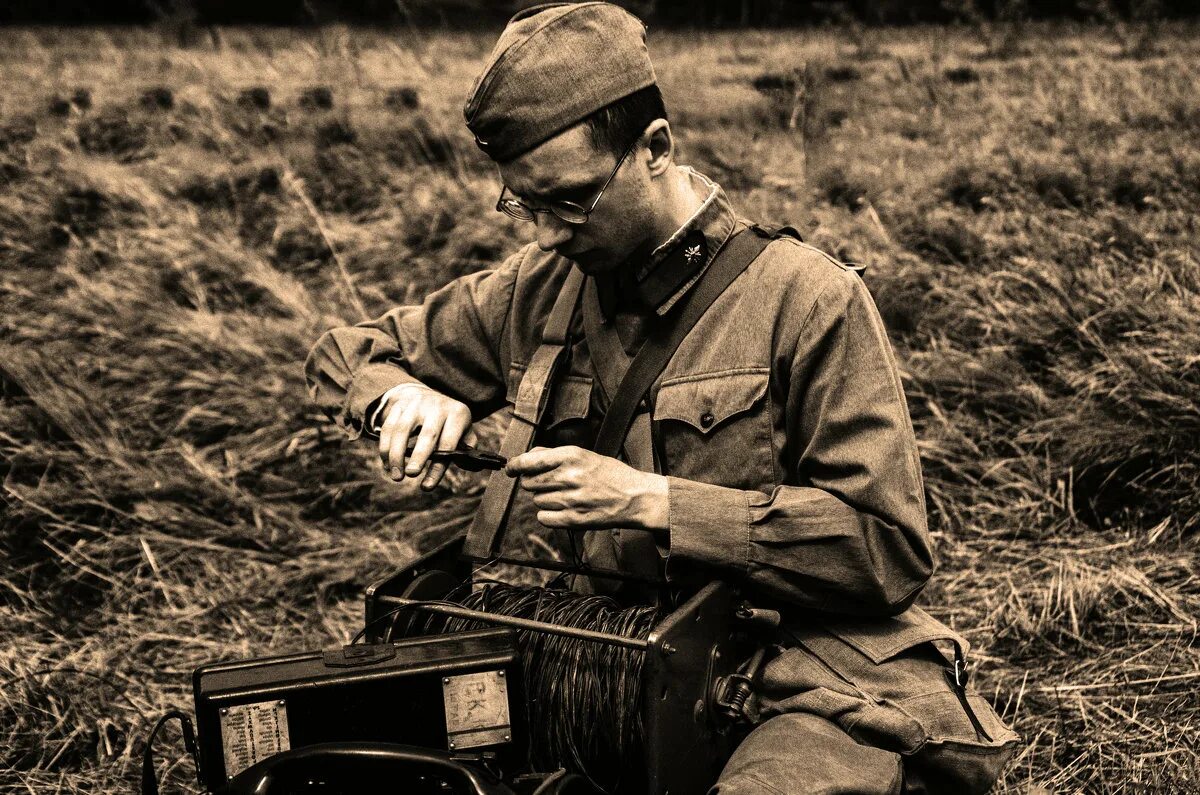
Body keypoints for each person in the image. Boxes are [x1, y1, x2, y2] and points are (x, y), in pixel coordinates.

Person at [304, 3, 1019, 792]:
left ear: (656, 147)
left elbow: (887, 549)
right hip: (596, 682)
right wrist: (399, 397)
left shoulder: (809, 300)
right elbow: (345, 354)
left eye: (569, 201)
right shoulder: (539, 286)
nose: (543, 234)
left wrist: (660, 501)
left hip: (789, 682)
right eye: (524, 204)